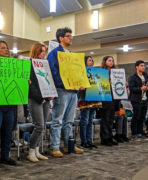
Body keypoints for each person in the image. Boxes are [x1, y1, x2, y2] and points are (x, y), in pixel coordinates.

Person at [47, 27, 84, 157]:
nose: (71, 38)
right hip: (62, 90)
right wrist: (65, 84)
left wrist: (80, 83)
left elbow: (78, 72)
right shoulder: (54, 53)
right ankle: (54, 147)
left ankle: (69, 146)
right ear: (61, 38)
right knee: (57, 120)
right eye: (68, 36)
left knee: (69, 121)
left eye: (71, 36)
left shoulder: (72, 55)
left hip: (73, 91)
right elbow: (53, 73)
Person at [27, 43, 52, 162]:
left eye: (44, 51)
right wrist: (39, 97)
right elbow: (30, 85)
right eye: (41, 51)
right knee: (39, 125)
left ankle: (37, 150)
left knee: (43, 126)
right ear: (36, 51)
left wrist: (50, 94)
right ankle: (31, 151)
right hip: (34, 99)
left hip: (46, 98)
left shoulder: (44, 65)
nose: (43, 53)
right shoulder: (29, 64)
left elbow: (48, 81)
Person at [78, 56, 100, 149]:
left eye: (92, 60)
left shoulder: (95, 72)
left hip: (93, 97)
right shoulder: (81, 73)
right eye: (89, 60)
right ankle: (84, 141)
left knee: (90, 121)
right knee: (84, 120)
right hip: (84, 98)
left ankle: (89, 140)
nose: (92, 62)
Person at [100, 56, 120, 146]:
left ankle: (110, 137)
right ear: (105, 62)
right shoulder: (101, 72)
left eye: (112, 61)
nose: (111, 62)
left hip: (114, 97)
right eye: (109, 60)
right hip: (105, 97)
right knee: (106, 119)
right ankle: (105, 138)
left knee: (111, 119)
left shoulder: (116, 73)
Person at [128, 60, 148, 139]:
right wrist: (140, 88)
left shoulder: (145, 76)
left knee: (142, 117)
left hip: (144, 99)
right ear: (137, 67)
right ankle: (134, 132)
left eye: (144, 66)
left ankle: (140, 131)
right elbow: (132, 88)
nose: (143, 67)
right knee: (136, 116)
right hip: (136, 99)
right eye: (141, 65)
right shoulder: (133, 77)